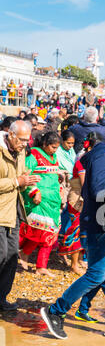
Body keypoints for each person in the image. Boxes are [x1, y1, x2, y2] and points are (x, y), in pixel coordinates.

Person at [40, 123, 105, 339]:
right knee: (97, 274)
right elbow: (98, 190)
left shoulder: (103, 154)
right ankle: (55, 311)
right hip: (101, 223)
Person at [0, 120, 40, 311]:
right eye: (22, 140)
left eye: (27, 140)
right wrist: (17, 181)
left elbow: (22, 175)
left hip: (14, 210)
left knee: (12, 255)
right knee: (1, 255)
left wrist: (29, 183)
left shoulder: (22, 151)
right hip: (0, 211)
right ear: (11, 134)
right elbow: (15, 179)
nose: (25, 144)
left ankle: (2, 298)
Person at [18, 132, 62, 277]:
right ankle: (21, 254)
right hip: (39, 199)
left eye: (57, 147)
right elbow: (26, 174)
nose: (55, 150)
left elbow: (52, 175)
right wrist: (34, 191)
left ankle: (41, 266)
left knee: (49, 232)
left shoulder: (54, 157)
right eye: (52, 147)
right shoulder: (34, 155)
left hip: (53, 201)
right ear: (44, 144)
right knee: (37, 230)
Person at [58, 132, 99, 275]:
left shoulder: (87, 158)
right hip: (78, 198)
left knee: (80, 229)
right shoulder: (83, 160)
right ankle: (74, 264)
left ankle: (78, 259)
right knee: (76, 230)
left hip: (82, 197)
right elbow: (83, 181)